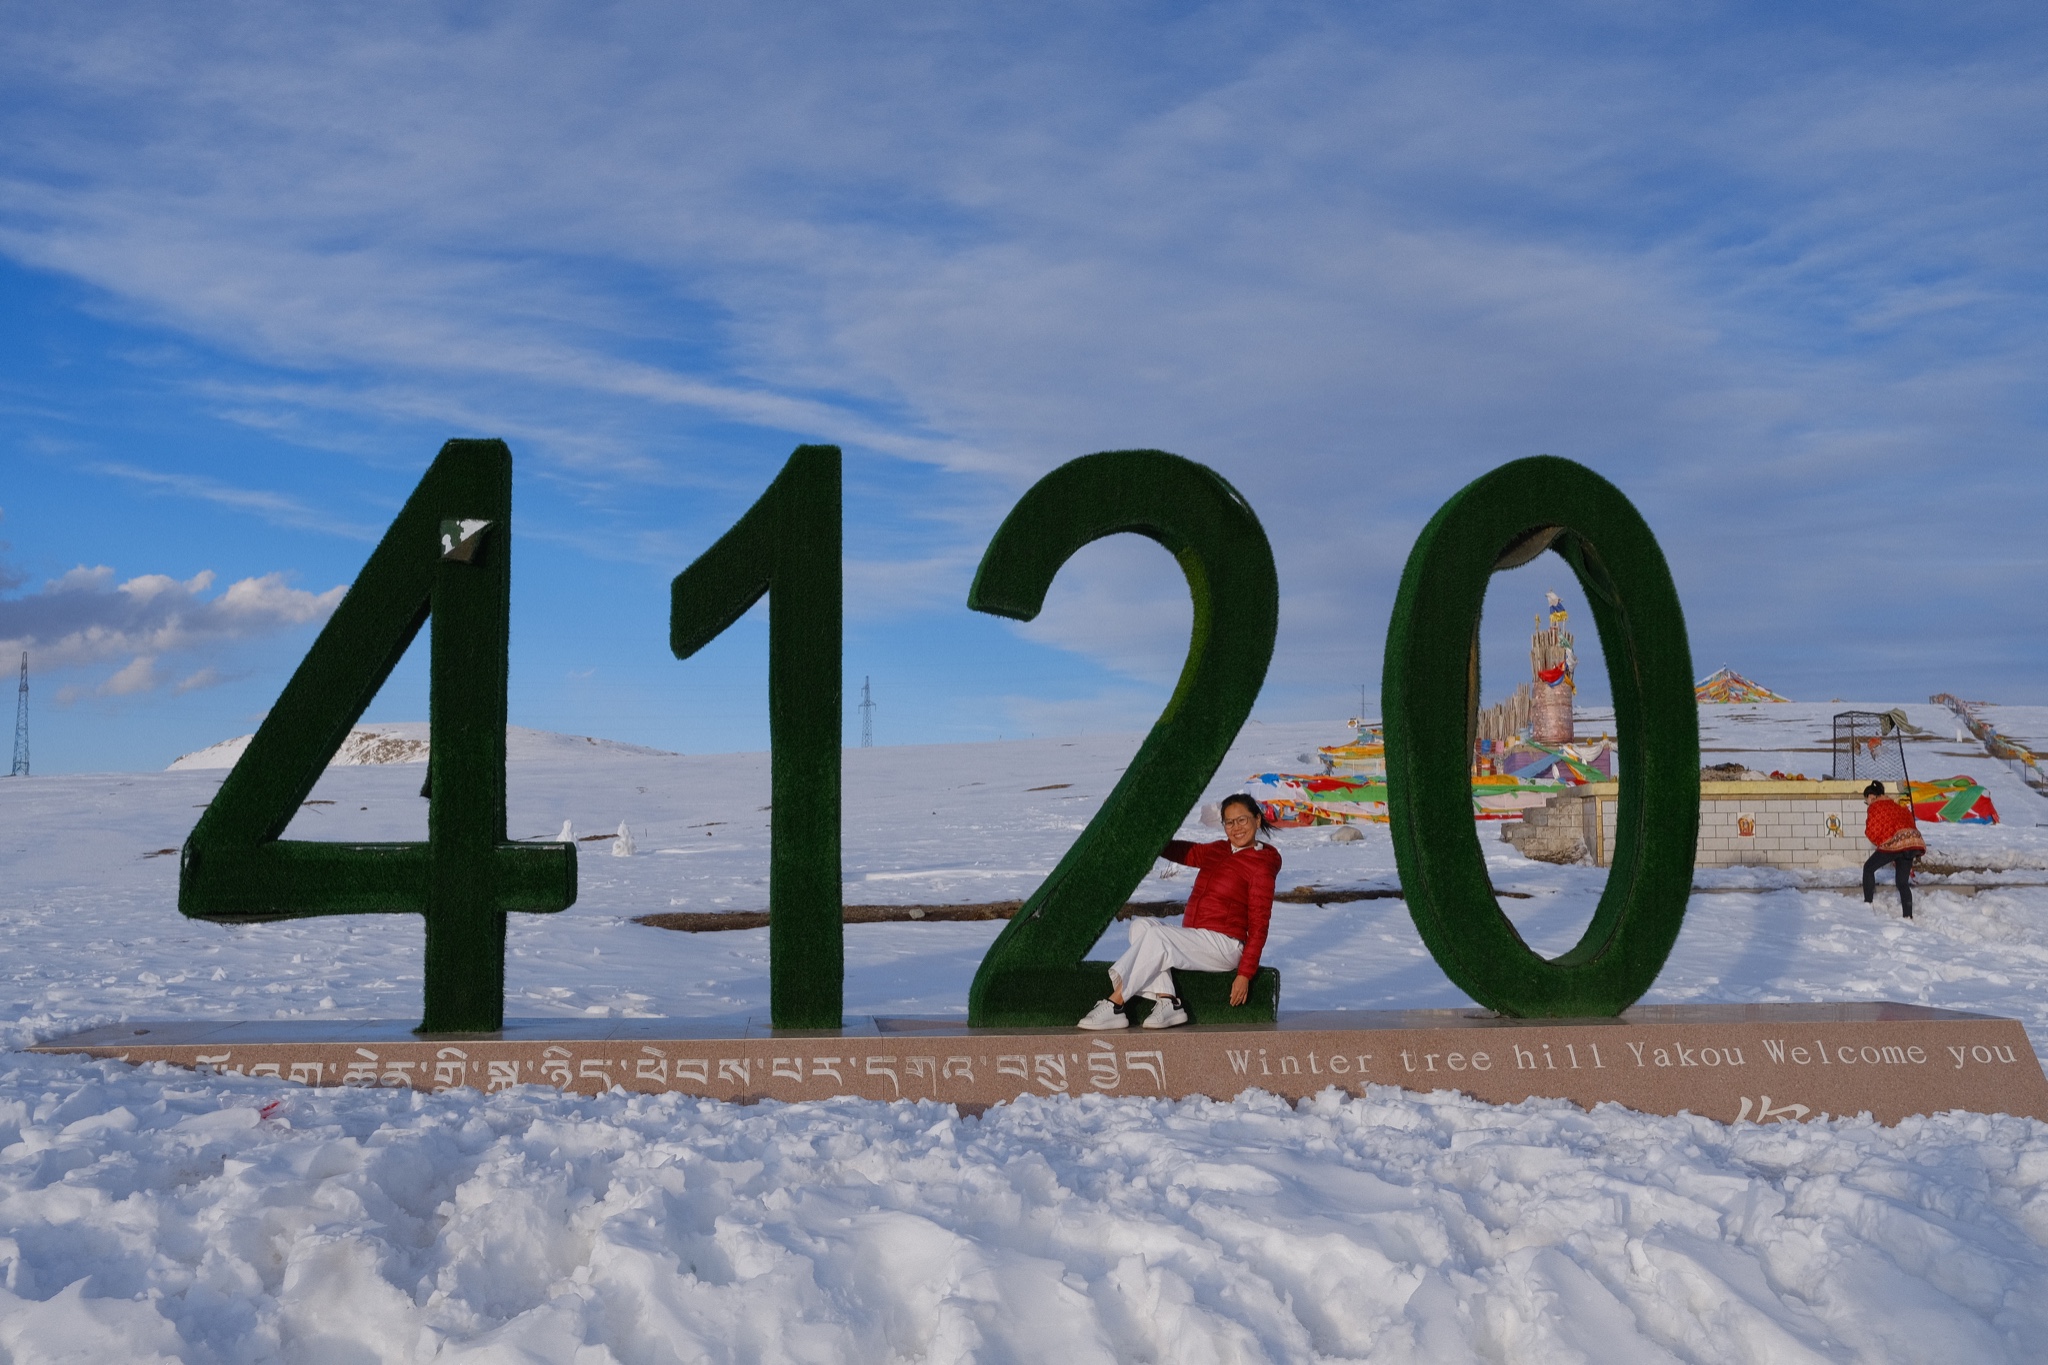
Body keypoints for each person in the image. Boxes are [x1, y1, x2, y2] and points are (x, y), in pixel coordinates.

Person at [1078, 792, 1280, 1030]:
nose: (1236, 828)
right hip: (1197, 936)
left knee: (1158, 937)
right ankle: (1168, 1002)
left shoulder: (1261, 866)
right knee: (1141, 927)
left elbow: (1259, 926)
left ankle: (1115, 1003)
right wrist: (1148, 836)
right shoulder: (1220, 849)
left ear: (1257, 819)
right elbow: (1186, 852)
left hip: (1225, 945)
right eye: (1229, 822)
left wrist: (1244, 974)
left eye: (1242, 820)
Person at [1862, 780, 1926, 919]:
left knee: (1868, 868)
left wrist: (1882, 842)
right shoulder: (1897, 805)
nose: (1867, 803)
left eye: (1866, 801)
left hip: (1894, 845)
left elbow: (1872, 831)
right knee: (1902, 883)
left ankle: (1867, 904)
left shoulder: (1875, 806)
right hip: (1911, 843)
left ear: (1871, 797)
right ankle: (1908, 916)